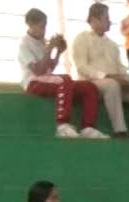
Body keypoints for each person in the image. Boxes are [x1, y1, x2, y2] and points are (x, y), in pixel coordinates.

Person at [70, 2, 129, 140]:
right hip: (92, 83)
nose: (109, 22)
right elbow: (81, 66)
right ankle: (120, 130)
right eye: (106, 18)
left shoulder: (112, 44)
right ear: (94, 20)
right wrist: (107, 76)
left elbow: (120, 66)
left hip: (116, 82)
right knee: (111, 84)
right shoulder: (81, 39)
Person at [20, 8, 103, 139]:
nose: (44, 30)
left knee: (88, 87)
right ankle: (62, 124)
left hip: (47, 79)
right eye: (41, 26)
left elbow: (49, 69)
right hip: (33, 82)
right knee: (65, 80)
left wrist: (58, 52)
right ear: (31, 25)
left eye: (45, 26)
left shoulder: (42, 41)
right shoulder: (24, 45)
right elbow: (38, 71)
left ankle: (88, 126)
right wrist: (49, 49)